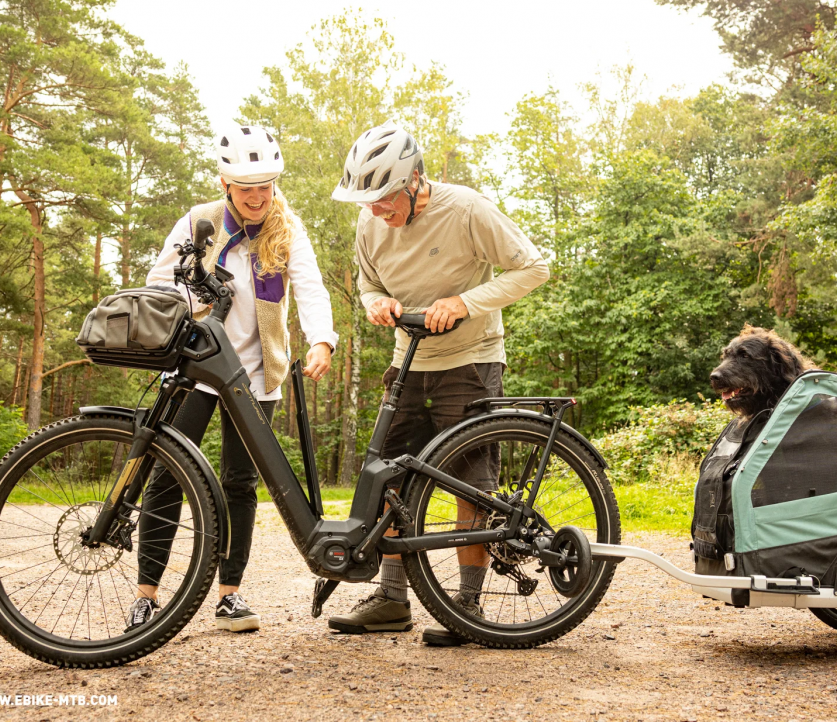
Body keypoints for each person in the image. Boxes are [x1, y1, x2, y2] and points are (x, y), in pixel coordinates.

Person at [326, 123, 550, 646]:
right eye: (367, 201)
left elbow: (534, 268)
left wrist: (465, 303)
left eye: (384, 199)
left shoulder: (467, 209)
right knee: (387, 478)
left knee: (468, 482)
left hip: (470, 360)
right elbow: (367, 283)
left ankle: (468, 605)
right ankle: (391, 600)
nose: (376, 211)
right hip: (409, 359)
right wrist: (373, 303)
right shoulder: (369, 224)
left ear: (415, 181)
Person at [126, 125, 338, 634]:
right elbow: (159, 282)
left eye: (266, 185)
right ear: (224, 183)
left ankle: (230, 595)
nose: (258, 196)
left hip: (256, 374)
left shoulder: (287, 228)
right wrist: (197, 298)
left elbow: (310, 286)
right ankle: (146, 595)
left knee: (239, 483)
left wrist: (322, 339)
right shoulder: (198, 221)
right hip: (197, 365)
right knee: (167, 475)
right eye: (247, 188)